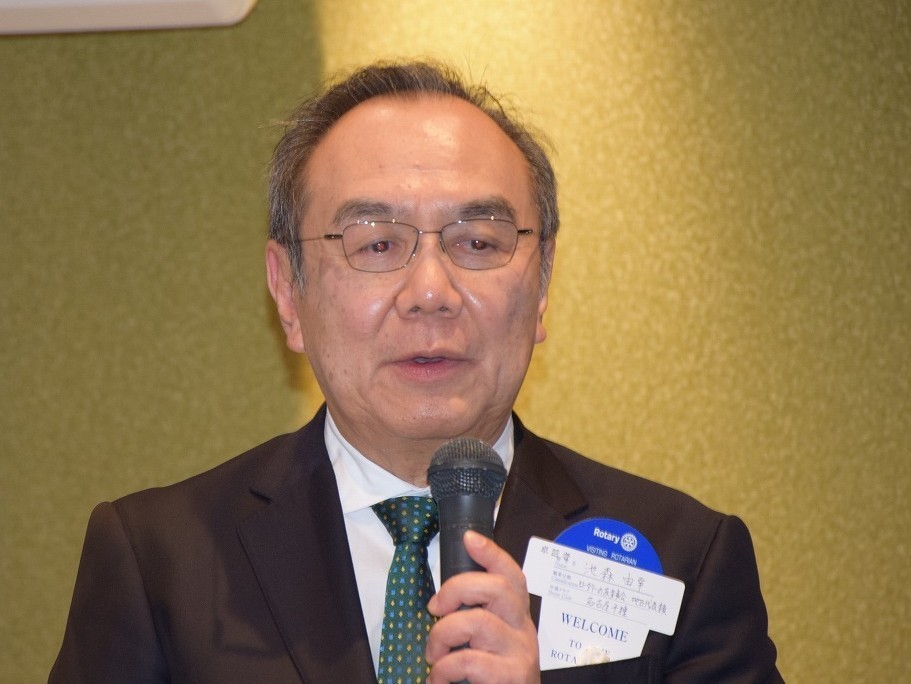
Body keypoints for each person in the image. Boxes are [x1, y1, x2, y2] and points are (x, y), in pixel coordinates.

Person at [50, 61, 783, 683]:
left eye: (478, 242)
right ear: (288, 293)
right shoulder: (159, 560)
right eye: (375, 244)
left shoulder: (684, 560)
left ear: (542, 286)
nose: (431, 291)